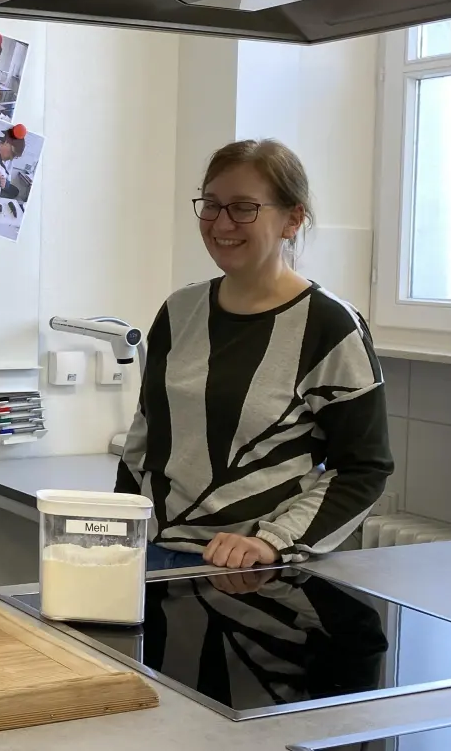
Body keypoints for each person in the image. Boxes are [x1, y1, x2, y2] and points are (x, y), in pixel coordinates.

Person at [117, 140, 392, 572]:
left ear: (293, 219)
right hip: (150, 554)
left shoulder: (331, 327)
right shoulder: (179, 310)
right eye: (211, 205)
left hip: (251, 574)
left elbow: (364, 471)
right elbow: (145, 437)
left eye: (244, 207)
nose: (222, 222)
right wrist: (120, 532)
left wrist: (272, 543)